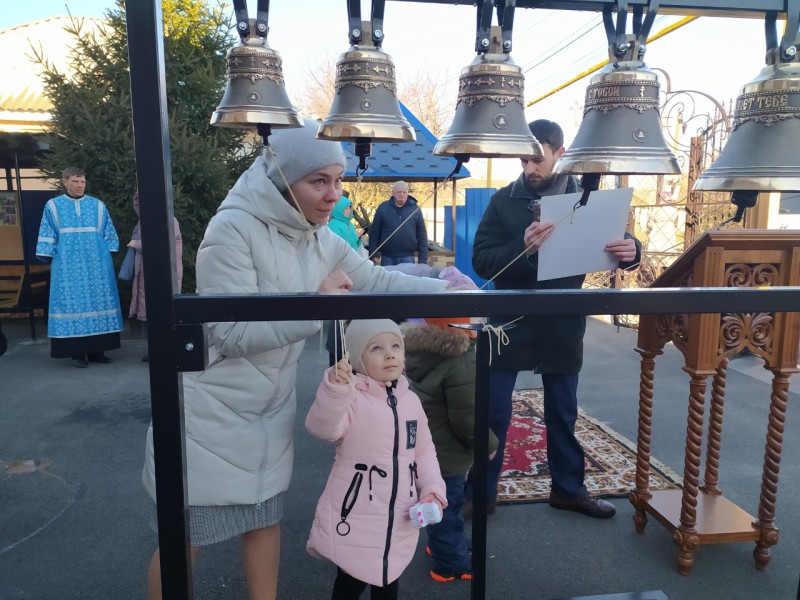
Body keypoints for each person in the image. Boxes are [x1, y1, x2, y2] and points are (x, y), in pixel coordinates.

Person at [141, 118, 458, 600]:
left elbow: (376, 281)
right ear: (284, 179)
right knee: (188, 536)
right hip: (212, 417)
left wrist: (447, 289)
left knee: (264, 521)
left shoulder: (317, 236)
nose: (333, 195)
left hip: (270, 411)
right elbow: (230, 333)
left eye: (338, 180)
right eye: (319, 181)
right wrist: (316, 306)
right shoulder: (231, 229)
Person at [469, 119, 642, 520]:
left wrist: (633, 251)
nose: (529, 168)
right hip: (508, 322)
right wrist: (523, 247)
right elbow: (482, 262)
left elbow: (619, 242)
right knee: (492, 413)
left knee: (563, 412)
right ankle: (480, 493)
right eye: (523, 160)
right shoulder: (502, 201)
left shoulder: (588, 199)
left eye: (537, 159)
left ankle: (568, 490)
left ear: (560, 154)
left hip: (562, 321)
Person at [306, 319, 447, 599]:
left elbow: (423, 451)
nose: (390, 354)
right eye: (376, 348)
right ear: (358, 358)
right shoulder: (351, 397)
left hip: (400, 515)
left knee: (389, 581)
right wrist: (334, 391)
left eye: (396, 346)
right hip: (357, 513)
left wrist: (432, 490)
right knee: (350, 582)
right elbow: (323, 428)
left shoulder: (411, 402)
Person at [402, 316, 499, 583]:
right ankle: (450, 563)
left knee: (437, 501)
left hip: (428, 447)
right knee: (448, 506)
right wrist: (487, 444)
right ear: (462, 325)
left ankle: (444, 544)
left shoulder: (424, 351)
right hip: (446, 453)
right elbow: (467, 417)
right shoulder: (460, 361)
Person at [35, 166, 123, 368]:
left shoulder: (97, 205)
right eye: (75, 181)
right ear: (65, 182)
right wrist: (47, 254)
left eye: (82, 182)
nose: (80, 185)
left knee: (99, 304)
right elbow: (47, 232)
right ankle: (78, 354)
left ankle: (98, 352)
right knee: (71, 305)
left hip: (97, 266)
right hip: (67, 267)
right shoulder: (53, 206)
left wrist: (109, 253)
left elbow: (109, 232)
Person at [127, 189, 184, 362]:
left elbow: (162, 243)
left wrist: (136, 244)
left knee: (162, 311)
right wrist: (141, 189)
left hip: (163, 272)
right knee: (150, 313)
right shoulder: (145, 220)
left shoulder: (169, 219)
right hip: (147, 271)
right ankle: (155, 349)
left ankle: (166, 350)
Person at [325, 195, 365, 366]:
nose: (349, 211)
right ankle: (338, 347)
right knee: (341, 309)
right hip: (341, 271)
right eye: (346, 208)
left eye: (350, 208)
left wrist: (359, 240)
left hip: (355, 269)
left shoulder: (349, 225)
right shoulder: (333, 226)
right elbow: (338, 249)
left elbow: (353, 245)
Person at [368, 181, 429, 266]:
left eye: (404, 192)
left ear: (408, 193)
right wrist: (373, 253)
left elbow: (422, 235)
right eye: (399, 192)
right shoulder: (383, 208)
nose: (401, 195)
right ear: (393, 193)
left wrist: (423, 260)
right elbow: (374, 233)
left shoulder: (415, 209)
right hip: (387, 257)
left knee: (408, 276)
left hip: (408, 257)